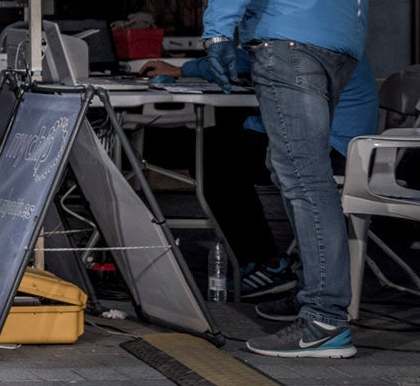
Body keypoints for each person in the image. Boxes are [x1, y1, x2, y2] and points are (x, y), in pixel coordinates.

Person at [200, 0, 369, 359]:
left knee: (303, 178)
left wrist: (219, 29)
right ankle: (313, 298)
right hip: (341, 41)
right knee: (293, 166)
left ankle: (323, 319)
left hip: (288, 41)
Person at [141, 52, 377, 299]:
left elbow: (249, 60)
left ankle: (267, 264)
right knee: (212, 145)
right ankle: (263, 261)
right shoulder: (329, 34)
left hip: (331, 151)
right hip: (332, 143)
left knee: (213, 152)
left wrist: (182, 70)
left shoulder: (304, 39)